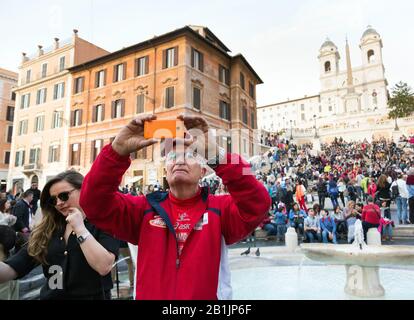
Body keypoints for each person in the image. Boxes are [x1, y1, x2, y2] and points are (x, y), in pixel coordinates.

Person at [79, 114, 271, 300]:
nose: (180, 160)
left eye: (191, 154)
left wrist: (217, 155)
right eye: (172, 156)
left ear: (204, 170)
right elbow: (92, 203)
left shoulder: (221, 209)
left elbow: (260, 202)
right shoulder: (142, 209)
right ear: (166, 170)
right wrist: (116, 151)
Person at [0, 170, 120, 300]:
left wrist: (80, 228)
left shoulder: (104, 221)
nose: (58, 203)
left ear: (84, 190)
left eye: (64, 196)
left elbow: (104, 266)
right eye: (53, 200)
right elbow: (14, 267)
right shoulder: (48, 229)